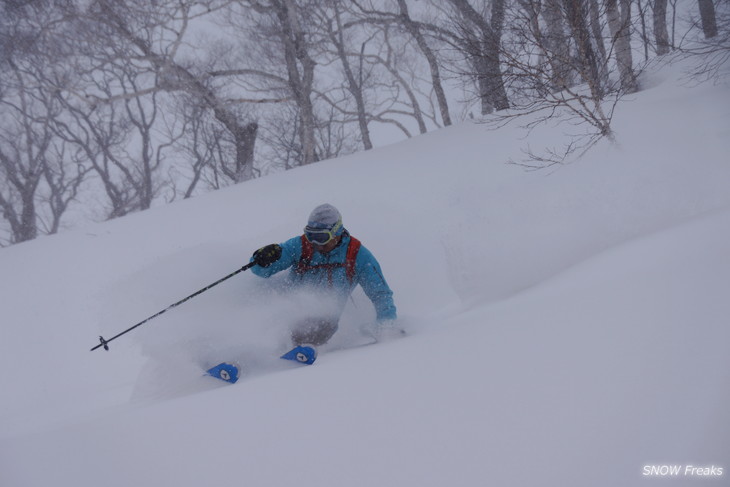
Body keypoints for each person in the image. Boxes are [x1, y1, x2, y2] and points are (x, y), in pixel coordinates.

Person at [250, 203, 397, 349]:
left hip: (324, 321)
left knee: (318, 324)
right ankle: (252, 352)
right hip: (287, 308)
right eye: (310, 235)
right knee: (262, 311)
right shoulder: (301, 245)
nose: (315, 243)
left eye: (321, 237)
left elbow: (380, 294)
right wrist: (261, 260)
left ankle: (290, 350)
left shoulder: (357, 255)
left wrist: (387, 327)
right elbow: (262, 272)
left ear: (336, 232)